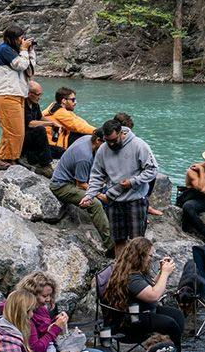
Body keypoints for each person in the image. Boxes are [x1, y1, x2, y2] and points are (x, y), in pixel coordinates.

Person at [18, 273, 107, 352]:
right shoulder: (27, 315)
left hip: (52, 350)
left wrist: (56, 321)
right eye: (44, 296)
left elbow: (45, 330)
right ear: (32, 294)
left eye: (50, 295)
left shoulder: (41, 308)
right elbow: (35, 348)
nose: (48, 299)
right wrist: (56, 328)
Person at [82, 118, 159, 251]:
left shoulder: (138, 145)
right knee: (118, 240)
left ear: (121, 133)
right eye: (107, 140)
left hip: (135, 199)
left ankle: (137, 270)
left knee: (137, 241)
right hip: (114, 199)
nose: (111, 144)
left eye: (113, 140)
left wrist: (132, 182)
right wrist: (89, 195)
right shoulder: (103, 150)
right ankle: (120, 269)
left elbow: (152, 170)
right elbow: (96, 175)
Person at [99, 238, 184, 345]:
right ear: (140, 256)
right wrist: (165, 274)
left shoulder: (132, 269)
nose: (151, 259)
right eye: (150, 255)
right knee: (170, 324)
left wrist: (161, 272)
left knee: (177, 315)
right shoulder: (131, 277)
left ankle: (171, 350)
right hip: (131, 321)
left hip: (140, 312)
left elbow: (149, 286)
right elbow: (153, 295)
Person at [50, 133, 109, 247]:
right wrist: (98, 195)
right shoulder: (84, 157)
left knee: (107, 190)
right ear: (98, 140)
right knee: (95, 204)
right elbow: (81, 184)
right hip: (62, 186)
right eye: (106, 144)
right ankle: (110, 243)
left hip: (73, 180)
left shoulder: (87, 139)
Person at [0, 25, 36, 170]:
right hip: (6, 94)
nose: (22, 41)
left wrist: (30, 51)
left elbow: (30, 69)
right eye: (20, 38)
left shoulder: (16, 51)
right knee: (12, 130)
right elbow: (20, 65)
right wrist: (23, 50)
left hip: (17, 95)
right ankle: (3, 159)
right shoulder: (3, 49)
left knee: (17, 131)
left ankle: (12, 158)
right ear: (12, 39)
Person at [19, 82, 57, 174]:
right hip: (24, 138)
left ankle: (41, 160)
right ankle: (45, 165)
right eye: (38, 94)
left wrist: (53, 124)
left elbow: (40, 117)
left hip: (33, 139)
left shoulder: (35, 104)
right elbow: (30, 123)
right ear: (29, 94)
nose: (39, 97)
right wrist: (50, 123)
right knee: (40, 129)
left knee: (59, 151)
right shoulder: (22, 105)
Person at [43, 87, 94, 153]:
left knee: (86, 135)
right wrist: (97, 132)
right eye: (73, 99)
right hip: (53, 146)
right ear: (64, 100)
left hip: (58, 140)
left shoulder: (58, 108)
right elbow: (78, 126)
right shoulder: (60, 112)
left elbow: (80, 122)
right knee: (89, 138)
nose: (75, 102)